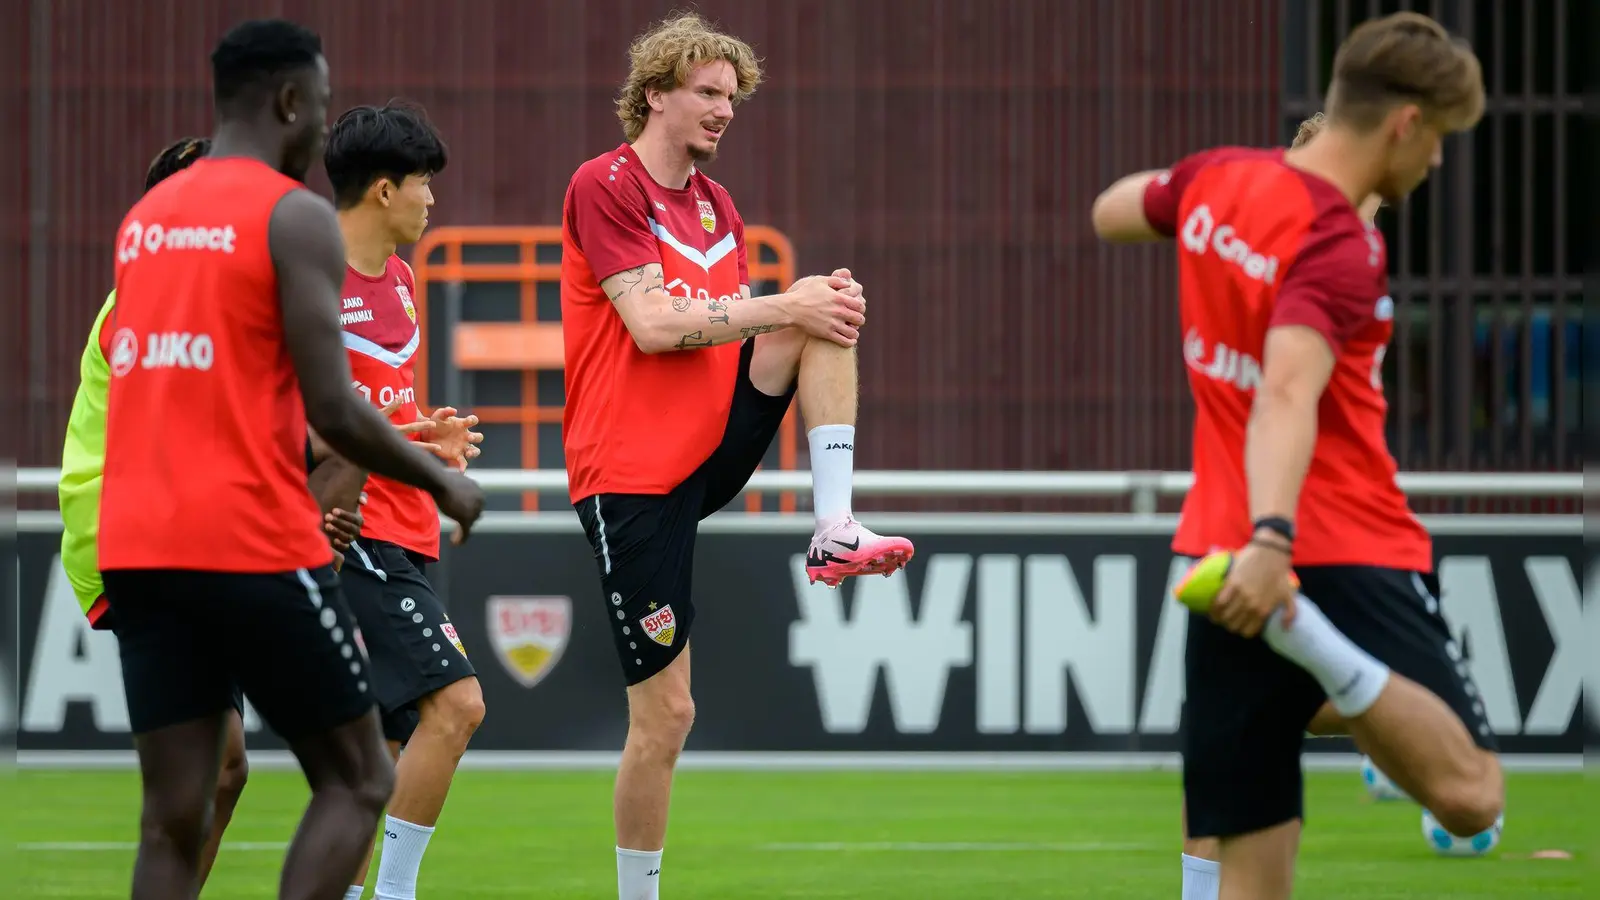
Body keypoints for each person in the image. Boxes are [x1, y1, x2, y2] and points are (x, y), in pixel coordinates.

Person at [1091, 12, 1498, 899]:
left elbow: (1114, 211)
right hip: (1331, 544)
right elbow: (1284, 392)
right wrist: (1277, 547)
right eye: (1441, 145)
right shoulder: (1342, 243)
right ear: (1405, 123)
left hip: (1220, 554)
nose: (1436, 165)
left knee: (1251, 877)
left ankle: (1296, 641)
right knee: (1472, 796)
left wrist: (1200, 222)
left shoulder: (1218, 179)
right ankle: (1307, 639)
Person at [98, 18, 483, 900]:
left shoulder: (146, 221)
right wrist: (443, 480)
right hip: (246, 534)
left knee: (173, 817)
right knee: (358, 778)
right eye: (316, 100)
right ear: (287, 101)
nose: (319, 127)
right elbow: (335, 408)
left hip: (138, 541)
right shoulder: (291, 216)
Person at [559, 12, 914, 899]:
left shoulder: (718, 206)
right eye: (708, 94)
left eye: (732, 97)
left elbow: (742, 330)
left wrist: (803, 305)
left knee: (827, 307)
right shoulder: (605, 185)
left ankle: (834, 524)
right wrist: (781, 305)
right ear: (656, 94)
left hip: (706, 447)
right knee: (668, 716)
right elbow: (651, 327)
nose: (725, 110)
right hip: (629, 476)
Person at [55, 135, 369, 890]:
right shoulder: (145, 299)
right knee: (224, 771)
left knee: (223, 773)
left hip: (191, 530)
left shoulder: (207, 297)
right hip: (133, 534)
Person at [1173, 110, 1385, 900]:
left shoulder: (1355, 264)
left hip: (1338, 530)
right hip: (1253, 526)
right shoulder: (1267, 259)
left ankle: (1384, 730)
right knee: (1217, 735)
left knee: (1456, 769)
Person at [311, 100, 486, 900]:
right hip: (354, 531)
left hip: (409, 529)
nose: (431, 199)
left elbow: (379, 405)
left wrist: (428, 436)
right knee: (457, 708)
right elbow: (305, 419)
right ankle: (395, 893)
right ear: (383, 190)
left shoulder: (405, 279)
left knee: (373, 752)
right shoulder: (307, 280)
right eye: (423, 183)